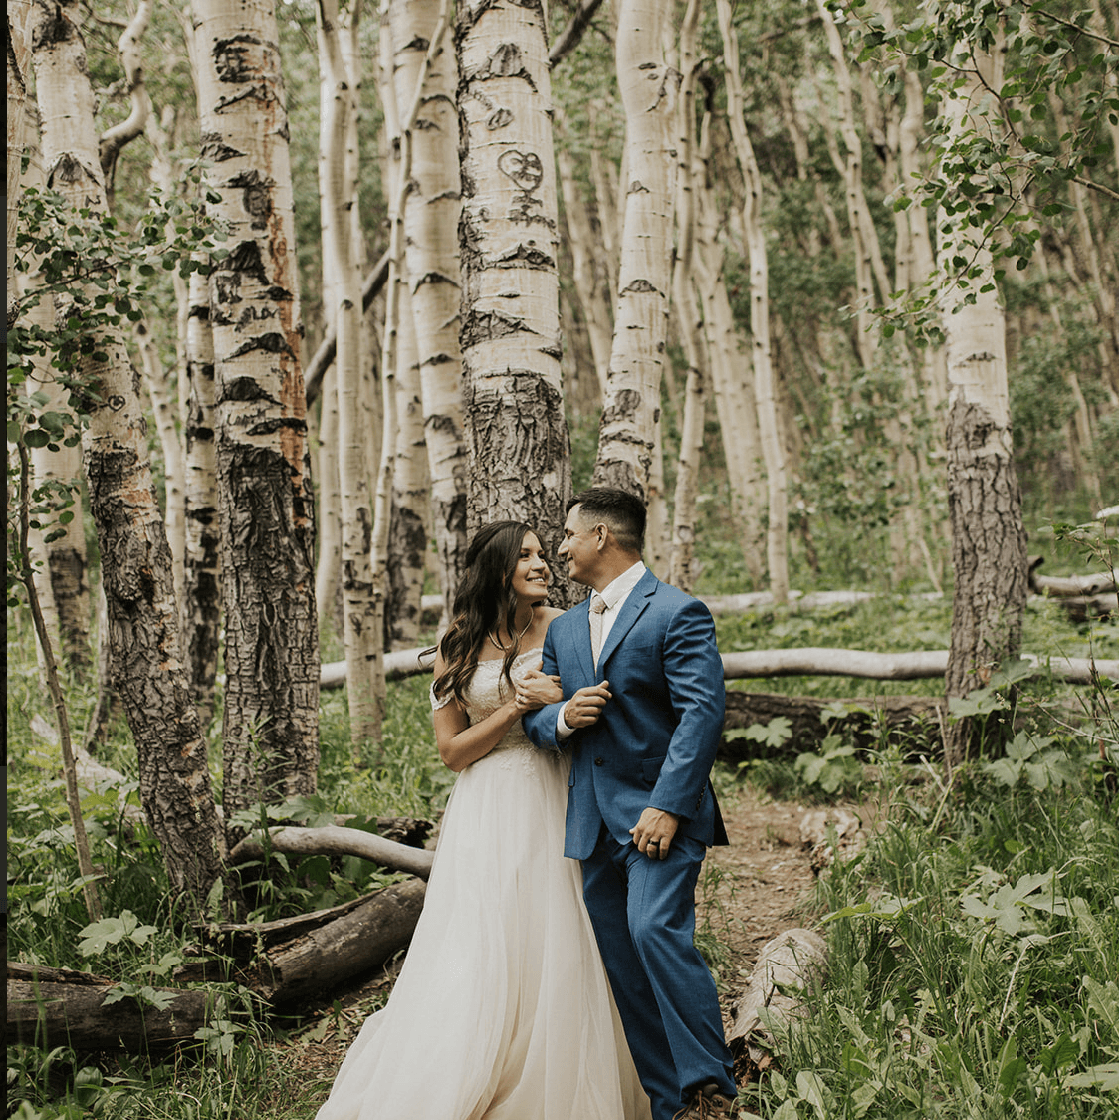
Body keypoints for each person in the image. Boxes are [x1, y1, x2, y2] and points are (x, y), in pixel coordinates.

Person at [315, 520, 651, 1120]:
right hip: (485, 805)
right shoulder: (457, 643)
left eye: (544, 553)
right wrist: (518, 708)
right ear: (498, 568)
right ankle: (471, 1057)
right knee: (480, 938)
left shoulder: (568, 628)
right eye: (525, 556)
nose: (542, 564)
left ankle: (556, 1069)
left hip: (556, 790)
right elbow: (452, 752)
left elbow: (590, 710)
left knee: (558, 931)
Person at [522, 489, 738, 1120]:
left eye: (566, 535)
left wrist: (669, 805)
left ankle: (712, 1086)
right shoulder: (562, 628)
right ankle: (670, 1106)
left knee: (655, 932)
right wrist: (563, 716)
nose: (560, 547)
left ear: (600, 538)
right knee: (623, 960)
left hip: (658, 818)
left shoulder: (677, 612)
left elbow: (703, 712)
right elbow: (537, 722)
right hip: (592, 822)